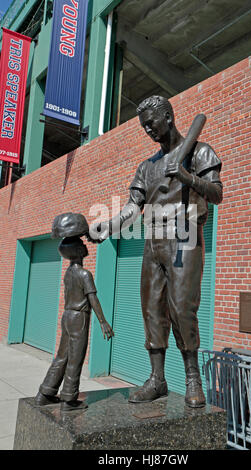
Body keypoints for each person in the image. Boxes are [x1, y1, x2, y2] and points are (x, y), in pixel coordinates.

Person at [89, 95, 223, 407]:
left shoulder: (200, 152)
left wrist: (186, 176)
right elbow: (132, 209)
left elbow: (216, 194)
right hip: (153, 239)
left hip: (185, 232)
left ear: (168, 116)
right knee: (152, 309)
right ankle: (157, 379)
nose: (148, 128)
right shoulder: (146, 168)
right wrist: (107, 226)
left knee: (181, 307)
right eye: (143, 125)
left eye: (152, 122)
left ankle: (192, 379)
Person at [35, 234, 114, 411]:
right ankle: (69, 400)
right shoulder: (84, 274)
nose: (85, 246)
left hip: (67, 316)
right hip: (79, 318)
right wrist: (103, 322)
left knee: (62, 356)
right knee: (75, 359)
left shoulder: (68, 273)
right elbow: (93, 299)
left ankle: (45, 393)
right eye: (82, 244)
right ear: (78, 251)